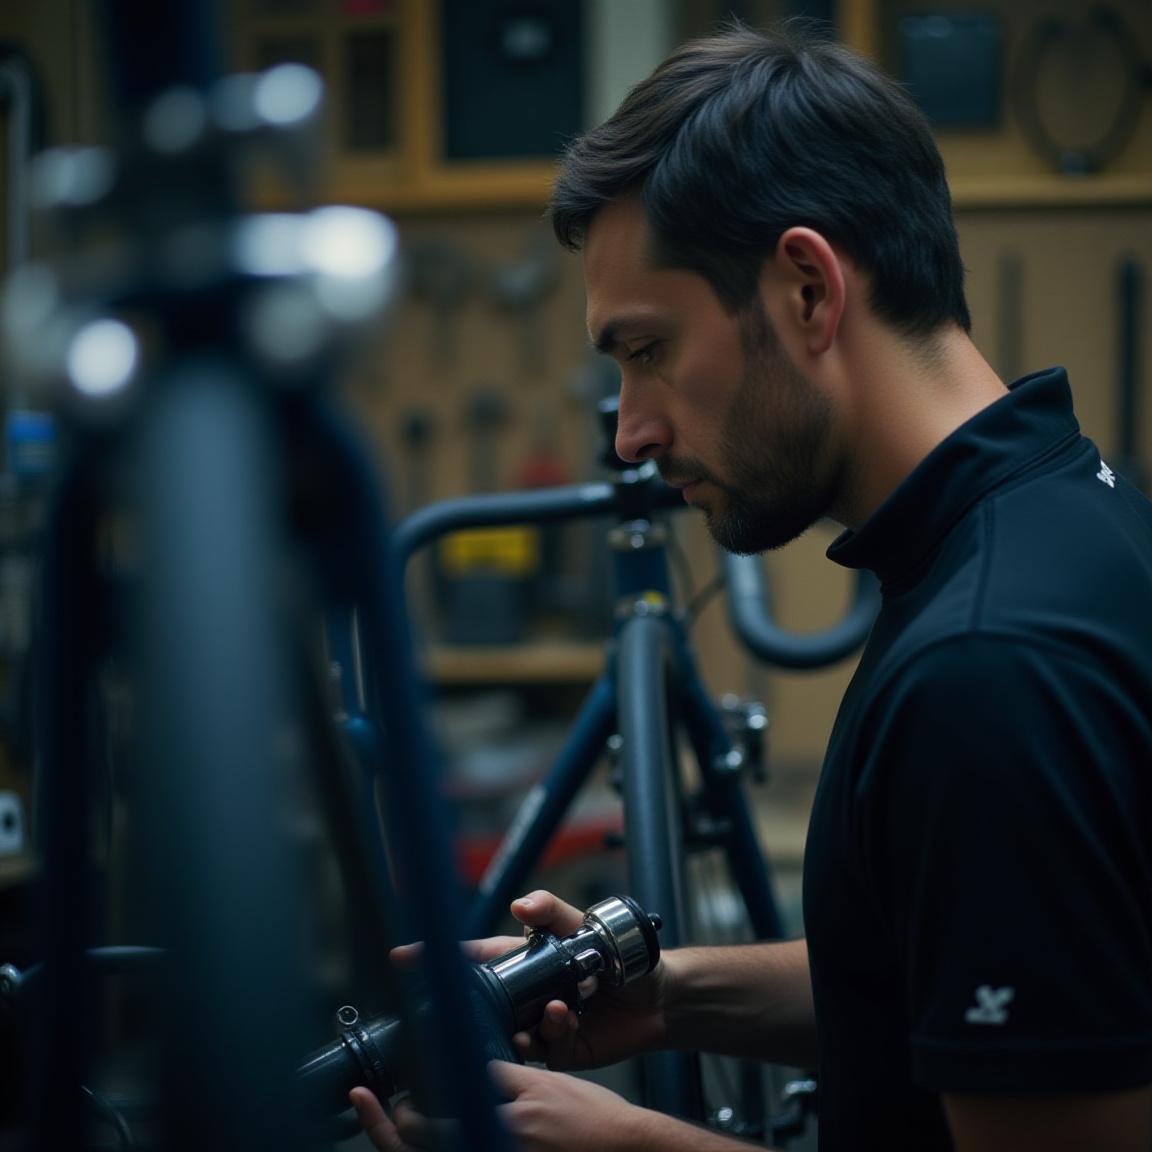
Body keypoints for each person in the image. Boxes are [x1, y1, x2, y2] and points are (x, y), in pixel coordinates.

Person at [354, 18, 1152, 1151]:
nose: (629, 433)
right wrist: (669, 993)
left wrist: (631, 1145)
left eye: (646, 351)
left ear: (807, 292)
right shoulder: (1070, 512)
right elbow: (976, 980)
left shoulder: (990, 672)